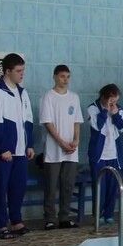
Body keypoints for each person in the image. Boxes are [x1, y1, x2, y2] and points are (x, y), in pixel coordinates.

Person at [0, 53, 34, 239]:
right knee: (1, 188)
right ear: (7, 71)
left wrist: (29, 144)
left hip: (21, 150)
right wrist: (1, 148)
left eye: (23, 70)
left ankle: (16, 221)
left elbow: (28, 121)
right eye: (18, 71)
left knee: (18, 187)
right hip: (5, 152)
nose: (22, 74)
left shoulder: (23, 93)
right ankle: (1, 224)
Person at [40, 65, 82, 230]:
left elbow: (77, 121)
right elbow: (48, 123)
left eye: (68, 76)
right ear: (55, 77)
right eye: (62, 76)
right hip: (54, 149)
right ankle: (50, 218)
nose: (65, 80)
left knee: (68, 185)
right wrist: (61, 142)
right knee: (51, 186)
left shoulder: (74, 97)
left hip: (71, 149)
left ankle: (64, 217)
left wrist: (76, 140)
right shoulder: (48, 97)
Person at [87, 84, 123, 225]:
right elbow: (97, 126)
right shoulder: (92, 108)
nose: (113, 104)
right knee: (100, 185)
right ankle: (98, 214)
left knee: (113, 187)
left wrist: (115, 115)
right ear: (104, 98)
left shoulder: (119, 109)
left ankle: (109, 214)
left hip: (114, 154)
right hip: (99, 155)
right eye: (111, 101)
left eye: (115, 101)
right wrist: (105, 111)